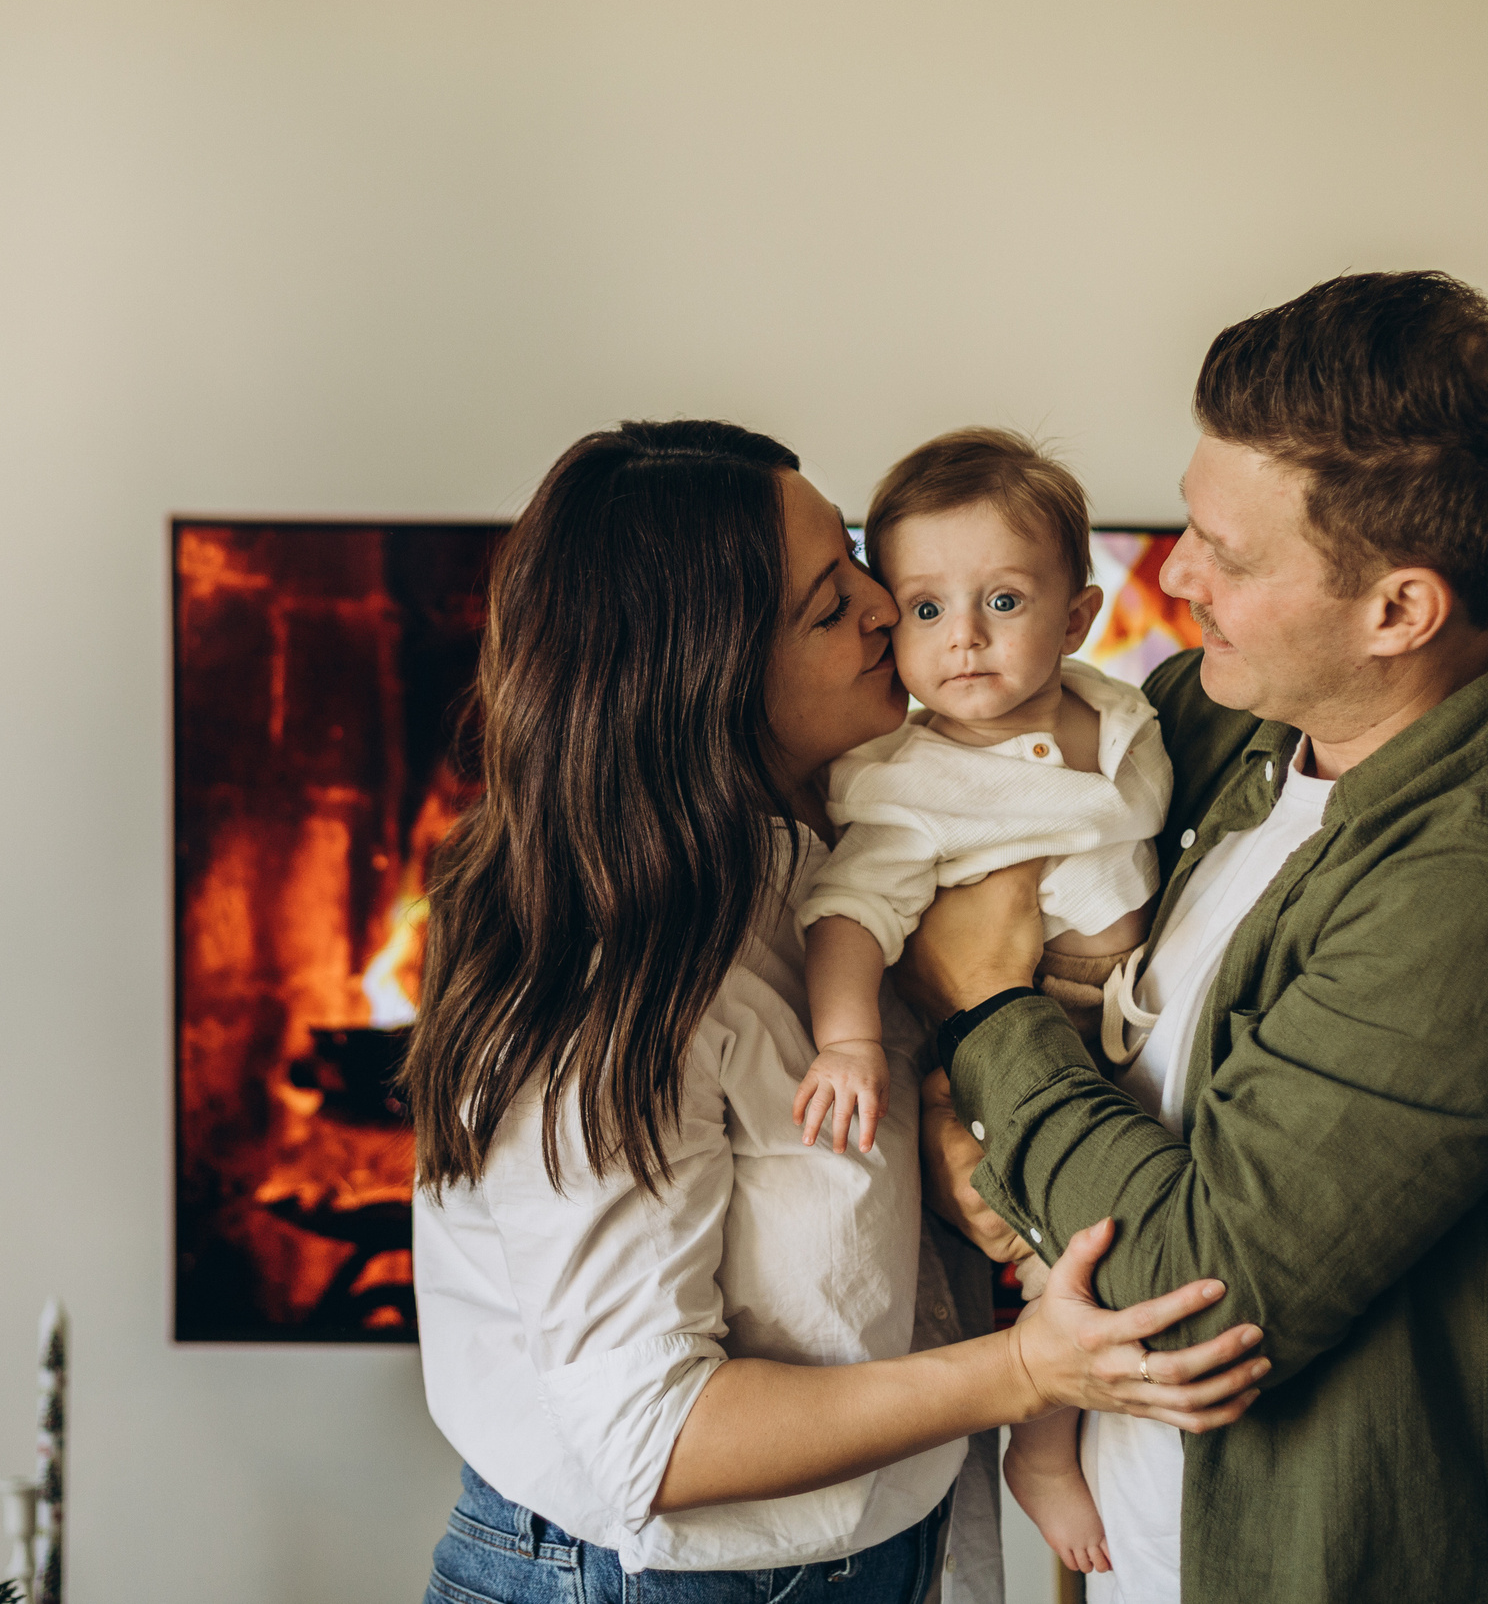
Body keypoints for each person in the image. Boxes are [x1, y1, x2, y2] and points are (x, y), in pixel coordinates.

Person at [906, 273, 1488, 1604]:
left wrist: (982, 1011)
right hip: (1153, 1545)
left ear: (1399, 611)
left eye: (1230, 553)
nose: (1175, 573)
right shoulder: (1216, 717)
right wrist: (949, 1128)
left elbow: (1195, 1292)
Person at [404, 420, 1266, 1604]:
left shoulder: (862, 843)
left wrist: (953, 1143)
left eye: (859, 562)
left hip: (871, 1551)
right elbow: (653, 1441)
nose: (885, 606)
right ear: (708, 673)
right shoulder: (609, 986)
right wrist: (1028, 1373)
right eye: (828, 605)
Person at [790, 428, 1172, 1576]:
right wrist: (847, 1040)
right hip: (1010, 1057)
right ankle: (1040, 1453)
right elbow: (849, 915)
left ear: (1078, 616)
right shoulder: (908, 786)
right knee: (1071, 1255)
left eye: (1002, 600)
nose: (962, 636)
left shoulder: (1121, 715)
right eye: (924, 608)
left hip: (1117, 1043)